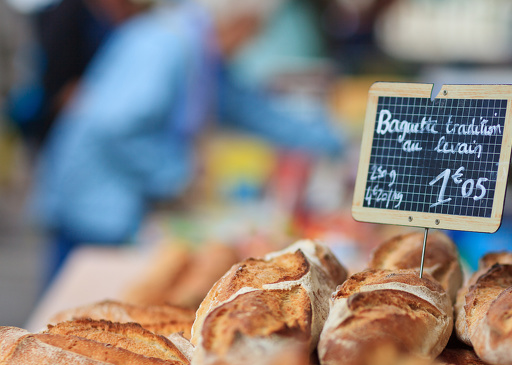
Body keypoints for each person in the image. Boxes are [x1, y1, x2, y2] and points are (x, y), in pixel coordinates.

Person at [30, 0, 344, 285]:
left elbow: (252, 109)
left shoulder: (202, 52)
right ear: (235, 21)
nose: (252, 42)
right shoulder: (164, 44)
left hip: (116, 200)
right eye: (254, 30)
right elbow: (115, 127)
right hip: (96, 203)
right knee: (77, 313)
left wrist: (334, 140)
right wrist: (179, 173)